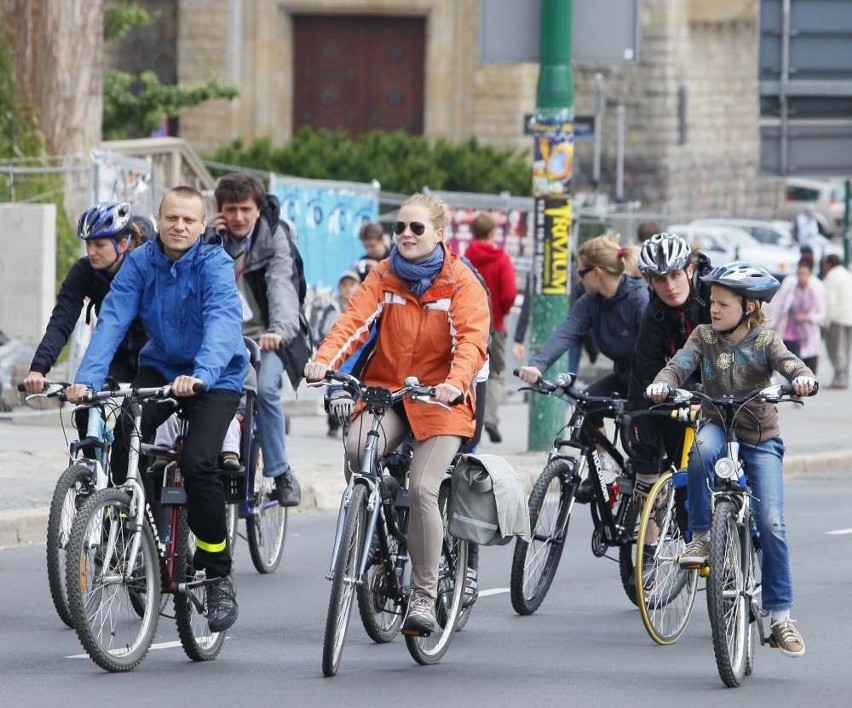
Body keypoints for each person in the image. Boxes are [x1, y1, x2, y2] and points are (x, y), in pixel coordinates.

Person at [304, 192, 490, 634]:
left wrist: (454, 383)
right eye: (400, 228)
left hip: (441, 398)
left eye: (416, 228)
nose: (406, 234)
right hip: (387, 391)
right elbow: (353, 323)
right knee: (355, 450)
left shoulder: (461, 281)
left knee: (424, 487)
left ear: (439, 235)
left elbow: (471, 342)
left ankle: (424, 598)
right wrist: (324, 361)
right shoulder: (383, 275)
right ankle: (376, 517)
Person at [65, 186, 248, 633]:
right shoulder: (142, 263)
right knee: (128, 438)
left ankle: (216, 571)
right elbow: (112, 319)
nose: (179, 226)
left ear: (202, 225)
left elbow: (224, 321)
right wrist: (87, 381)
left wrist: (202, 373)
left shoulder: (214, 264)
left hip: (215, 376)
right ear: (158, 220)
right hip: (161, 370)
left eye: (189, 220)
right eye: (171, 218)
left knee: (198, 461)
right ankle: (141, 537)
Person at [646, 261, 817, 658]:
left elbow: (789, 362)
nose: (714, 310)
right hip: (716, 424)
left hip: (759, 437)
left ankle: (780, 618)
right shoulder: (703, 336)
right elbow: (679, 366)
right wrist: (663, 384)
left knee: (772, 522)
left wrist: (802, 378)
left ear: (749, 308)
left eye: (724, 304)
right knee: (702, 451)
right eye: (712, 303)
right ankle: (703, 536)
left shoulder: (764, 339)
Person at [518, 234, 648, 501]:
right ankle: (604, 470)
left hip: (649, 380)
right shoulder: (591, 302)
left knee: (641, 451)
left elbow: (653, 351)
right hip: (623, 375)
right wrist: (537, 365)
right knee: (587, 405)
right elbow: (567, 331)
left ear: (597, 272)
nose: (579, 279)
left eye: (581, 272)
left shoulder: (638, 299)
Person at [213, 172, 303, 507]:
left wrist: (278, 330)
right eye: (231, 209)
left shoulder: (274, 237)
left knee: (265, 389)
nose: (238, 217)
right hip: (223, 333)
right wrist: (210, 241)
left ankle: (281, 474)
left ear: (258, 209)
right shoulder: (211, 237)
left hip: (270, 333)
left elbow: (282, 284)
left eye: (245, 209)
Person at [23, 202, 147, 396]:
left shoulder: (144, 267)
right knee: (84, 409)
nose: (91, 252)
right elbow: (62, 320)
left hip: (150, 357)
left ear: (122, 244)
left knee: (132, 417)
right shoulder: (84, 271)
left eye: (99, 245)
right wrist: (39, 368)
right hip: (115, 357)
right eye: (88, 244)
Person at [628, 232, 712, 490]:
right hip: (680, 384)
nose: (670, 286)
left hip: (721, 379)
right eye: (660, 280)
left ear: (689, 269)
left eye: (675, 275)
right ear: (649, 282)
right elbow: (645, 368)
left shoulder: (713, 294)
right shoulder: (653, 314)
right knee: (678, 469)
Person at [464, 212, 517, 444]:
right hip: (494, 324)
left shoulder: (464, 257)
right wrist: (499, 314)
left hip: (467, 319)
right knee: (495, 374)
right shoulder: (501, 258)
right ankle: (491, 418)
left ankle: (468, 418)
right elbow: (508, 293)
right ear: (492, 232)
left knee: (468, 371)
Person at [770, 258, 825, 373]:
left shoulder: (815, 290)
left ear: (809, 275)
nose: (802, 277)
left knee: (809, 367)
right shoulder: (790, 289)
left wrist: (808, 318)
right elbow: (779, 308)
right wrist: (773, 325)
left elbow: (821, 313)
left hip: (808, 333)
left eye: (805, 274)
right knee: (792, 365)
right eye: (800, 274)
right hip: (791, 332)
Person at [821, 254, 852, 388]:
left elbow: (830, 302)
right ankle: (842, 377)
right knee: (845, 349)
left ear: (828, 264)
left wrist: (827, 321)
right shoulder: (847, 274)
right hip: (849, 317)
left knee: (836, 349)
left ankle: (840, 379)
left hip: (837, 319)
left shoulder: (831, 277)